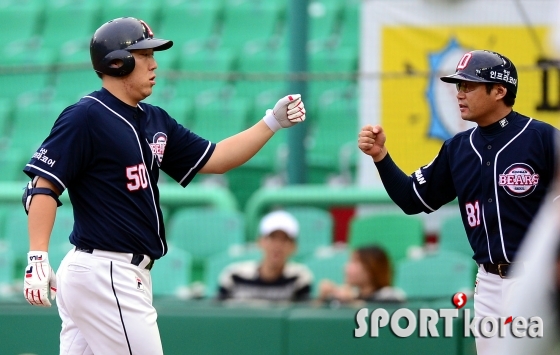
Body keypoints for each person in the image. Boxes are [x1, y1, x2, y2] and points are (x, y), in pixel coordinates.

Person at [21, 17, 306, 355]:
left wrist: (270, 122)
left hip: (114, 273)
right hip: (107, 272)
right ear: (118, 61)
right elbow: (44, 186)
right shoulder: (86, 115)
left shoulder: (155, 118)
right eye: (144, 55)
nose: (154, 64)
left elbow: (217, 158)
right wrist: (37, 254)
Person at [358, 50, 558, 355]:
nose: (459, 94)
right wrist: (381, 158)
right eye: (458, 86)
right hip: (488, 281)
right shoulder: (457, 149)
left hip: (534, 276)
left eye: (469, 86)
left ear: (499, 91)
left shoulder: (542, 138)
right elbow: (413, 199)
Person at [217, 210, 313, 302]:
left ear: (293, 247)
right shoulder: (234, 275)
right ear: (260, 242)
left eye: (284, 240)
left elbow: (303, 312)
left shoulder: (300, 278)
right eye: (272, 238)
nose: (277, 245)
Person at [318, 245, 405, 305]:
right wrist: (322, 299)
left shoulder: (390, 296)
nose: (345, 267)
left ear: (371, 268)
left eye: (354, 262)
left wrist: (351, 302)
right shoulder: (354, 295)